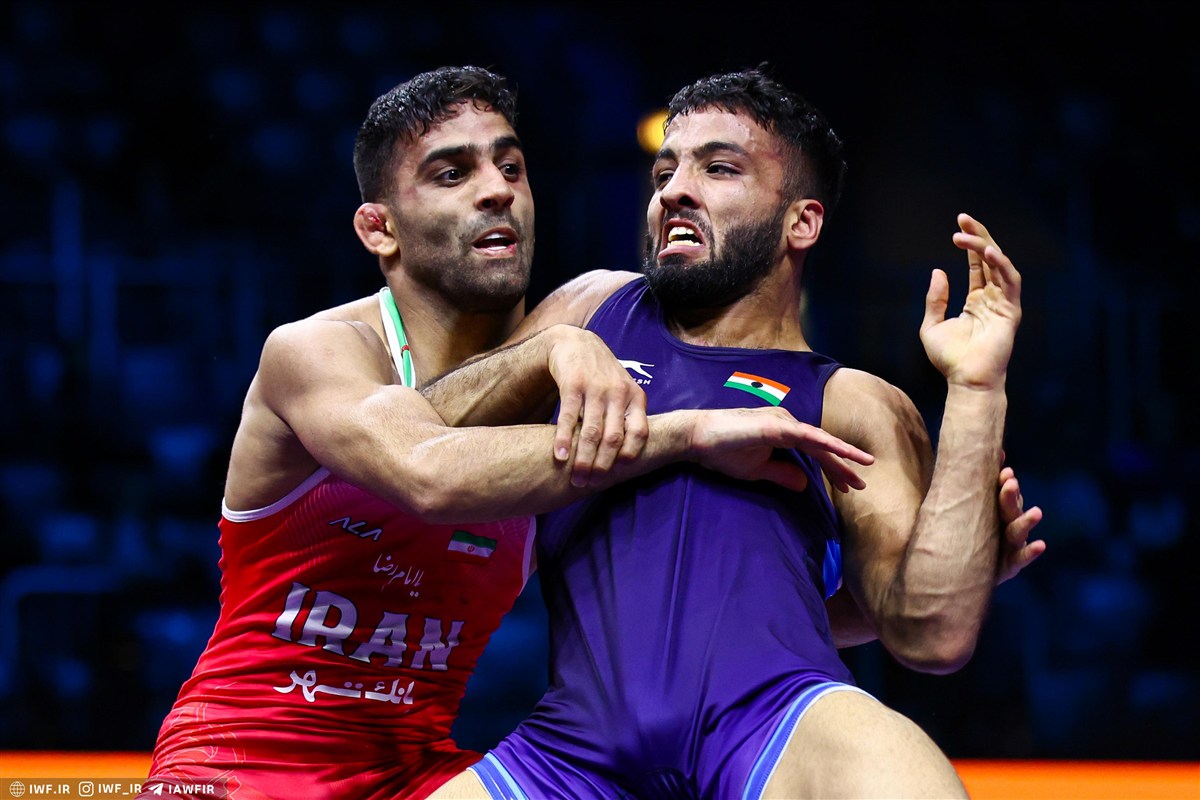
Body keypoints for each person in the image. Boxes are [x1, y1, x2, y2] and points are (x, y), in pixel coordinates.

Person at [138, 66, 876, 800]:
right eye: (451, 173)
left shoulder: (593, 358)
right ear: (379, 229)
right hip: (236, 763)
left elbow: (710, 608)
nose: (496, 190)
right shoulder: (318, 352)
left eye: (511, 167)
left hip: (416, 773)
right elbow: (430, 471)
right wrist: (683, 429)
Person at [427, 67, 1043, 800]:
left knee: (910, 783)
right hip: (571, 753)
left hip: (773, 725)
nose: (674, 192)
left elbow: (930, 632)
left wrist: (976, 388)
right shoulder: (593, 311)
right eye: (665, 172)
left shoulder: (852, 402)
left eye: (718, 168)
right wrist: (545, 350)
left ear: (801, 223)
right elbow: (418, 444)